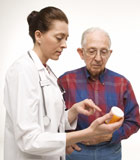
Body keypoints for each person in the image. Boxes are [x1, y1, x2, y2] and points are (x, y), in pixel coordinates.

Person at [3, 7, 124, 160]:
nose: (65, 44)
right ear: (39, 36)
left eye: (66, 38)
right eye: (59, 38)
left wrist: (73, 111)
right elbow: (29, 139)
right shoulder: (22, 71)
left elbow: (49, 122)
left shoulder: (47, 72)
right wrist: (87, 133)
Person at [58, 27, 140, 160]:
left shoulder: (122, 83)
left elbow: (134, 121)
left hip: (110, 150)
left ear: (110, 53)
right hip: (76, 151)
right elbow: (53, 121)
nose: (98, 58)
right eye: (91, 51)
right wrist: (65, 141)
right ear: (81, 53)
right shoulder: (65, 81)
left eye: (103, 52)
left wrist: (110, 136)